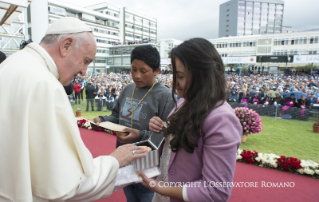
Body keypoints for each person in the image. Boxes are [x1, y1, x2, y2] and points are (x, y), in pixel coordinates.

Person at [0, 17, 146, 202]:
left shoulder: (11, 64)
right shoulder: (45, 84)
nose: (84, 72)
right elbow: (64, 185)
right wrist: (114, 161)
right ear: (66, 46)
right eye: (85, 61)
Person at [139, 38, 242, 202]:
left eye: (180, 76)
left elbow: (215, 192)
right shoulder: (183, 102)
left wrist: (158, 187)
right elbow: (172, 148)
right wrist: (160, 129)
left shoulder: (222, 118)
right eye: (173, 74)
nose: (174, 83)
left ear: (203, 76)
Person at [93, 45, 175, 202]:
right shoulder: (128, 89)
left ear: (156, 70)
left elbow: (167, 135)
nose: (137, 75)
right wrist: (102, 120)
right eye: (133, 70)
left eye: (143, 71)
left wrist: (139, 135)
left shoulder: (165, 96)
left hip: (148, 167)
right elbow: (117, 116)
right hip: (124, 161)